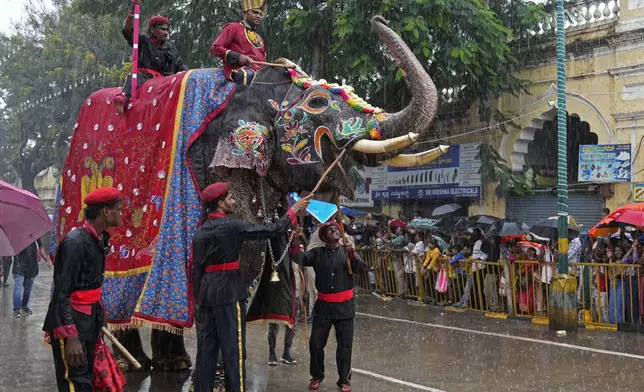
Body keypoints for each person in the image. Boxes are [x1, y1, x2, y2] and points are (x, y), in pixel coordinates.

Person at [191, 182, 310, 392]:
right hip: (229, 292)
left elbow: (196, 270)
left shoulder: (200, 232)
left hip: (207, 295)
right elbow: (270, 230)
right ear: (220, 203)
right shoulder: (232, 227)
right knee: (233, 349)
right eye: (230, 198)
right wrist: (293, 210)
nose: (234, 201)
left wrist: (199, 298)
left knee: (206, 350)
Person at [43, 187, 122, 392]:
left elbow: (91, 285)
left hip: (88, 321)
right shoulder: (74, 242)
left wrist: (99, 315)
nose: (121, 214)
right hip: (72, 324)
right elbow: (61, 292)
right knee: (73, 383)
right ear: (105, 211)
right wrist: (71, 336)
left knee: (85, 381)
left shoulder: (99, 239)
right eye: (118, 209)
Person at [295, 222, 366, 392]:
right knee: (316, 344)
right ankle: (317, 376)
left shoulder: (347, 252)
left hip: (345, 307)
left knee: (345, 345)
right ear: (324, 236)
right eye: (330, 229)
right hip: (324, 307)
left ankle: (344, 379)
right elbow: (300, 258)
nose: (334, 231)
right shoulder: (317, 253)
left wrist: (352, 255)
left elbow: (361, 270)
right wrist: (294, 239)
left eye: (336, 229)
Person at [114, 0, 188, 113]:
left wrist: (191, 75)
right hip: (146, 78)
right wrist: (132, 13)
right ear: (153, 30)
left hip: (166, 81)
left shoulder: (171, 49)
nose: (166, 32)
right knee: (137, 75)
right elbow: (128, 32)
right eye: (162, 29)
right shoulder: (143, 42)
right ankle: (123, 97)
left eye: (167, 30)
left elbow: (180, 66)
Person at [210, 0, 267, 85]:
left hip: (259, 72)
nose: (258, 16)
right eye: (255, 12)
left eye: (261, 14)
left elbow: (263, 63)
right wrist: (238, 57)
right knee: (248, 75)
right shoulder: (233, 27)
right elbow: (215, 48)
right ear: (245, 12)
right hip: (240, 70)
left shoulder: (260, 39)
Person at [12, 238, 51, 318]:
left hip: (30, 264)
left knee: (26, 288)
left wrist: (46, 260)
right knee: (19, 286)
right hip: (20, 262)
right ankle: (18, 309)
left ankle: (23, 307)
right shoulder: (16, 234)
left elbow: (40, 247)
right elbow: (41, 248)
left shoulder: (33, 233)